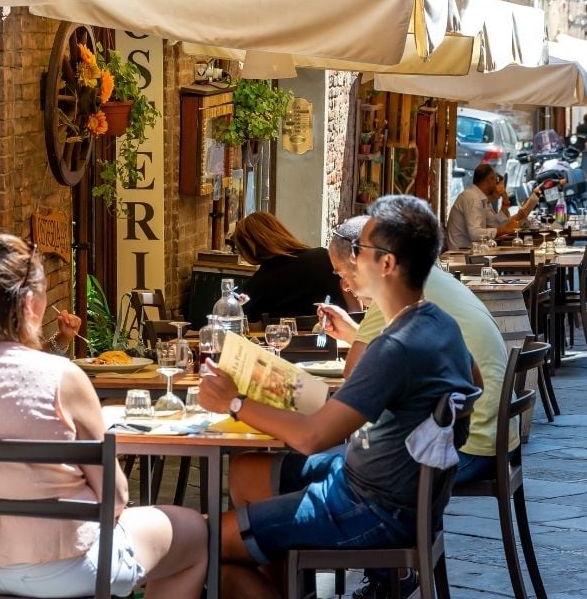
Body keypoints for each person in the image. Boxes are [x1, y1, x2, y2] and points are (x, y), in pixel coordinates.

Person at [199, 196, 478, 599]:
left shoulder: (395, 347)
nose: (350, 261)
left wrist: (234, 402)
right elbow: (474, 381)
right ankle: (292, 586)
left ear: (386, 264)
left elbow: (314, 437)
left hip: (370, 506)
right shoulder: (438, 323)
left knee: (202, 544)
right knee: (248, 471)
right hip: (382, 487)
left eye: (359, 250)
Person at [0, 234, 207, 599]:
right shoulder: (62, 378)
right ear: (30, 302)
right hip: (65, 565)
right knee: (194, 531)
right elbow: (115, 498)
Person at [321, 217, 508, 483]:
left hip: (462, 448)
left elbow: (355, 374)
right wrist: (354, 333)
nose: (346, 287)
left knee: (346, 467)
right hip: (488, 437)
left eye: (341, 274)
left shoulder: (392, 286)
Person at [230, 212, 345, 322]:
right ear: (279, 230)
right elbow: (355, 311)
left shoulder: (254, 287)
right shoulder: (324, 257)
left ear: (248, 250)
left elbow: (253, 331)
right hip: (340, 339)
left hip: (285, 341)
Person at [445, 164, 540, 249]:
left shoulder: (481, 198)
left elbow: (496, 224)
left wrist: (505, 199)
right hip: (461, 254)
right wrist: (505, 229)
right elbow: (474, 234)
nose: (496, 184)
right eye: (495, 180)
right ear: (489, 180)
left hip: (473, 250)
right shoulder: (473, 198)